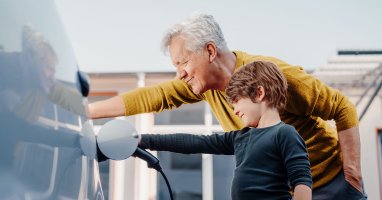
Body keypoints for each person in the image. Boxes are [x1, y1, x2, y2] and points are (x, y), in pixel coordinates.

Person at [89, 13, 365, 199]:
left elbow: (342, 107)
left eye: (183, 62)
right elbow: (152, 98)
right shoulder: (205, 86)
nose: (180, 73)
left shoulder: (272, 77)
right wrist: (86, 112)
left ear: (209, 51)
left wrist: (352, 174)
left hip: (332, 184)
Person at [139, 60, 312, 199]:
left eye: (237, 101)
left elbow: (302, 183)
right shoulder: (241, 137)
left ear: (259, 93)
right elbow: (196, 142)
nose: (235, 110)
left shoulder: (285, 134)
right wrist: (144, 140)